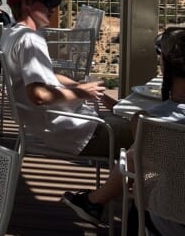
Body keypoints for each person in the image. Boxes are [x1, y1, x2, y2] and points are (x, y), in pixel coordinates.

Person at [61, 26, 185, 232]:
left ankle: (94, 201)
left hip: (168, 222)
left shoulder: (148, 122)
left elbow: (144, 175)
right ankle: (93, 201)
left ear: (165, 65)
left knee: (133, 163)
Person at [0, 0, 133, 159]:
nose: (52, 9)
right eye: (46, 4)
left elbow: (44, 76)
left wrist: (79, 85)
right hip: (75, 132)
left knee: (135, 122)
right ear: (27, 4)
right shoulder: (30, 40)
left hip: (52, 127)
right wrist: (80, 93)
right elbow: (39, 95)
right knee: (151, 133)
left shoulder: (10, 33)